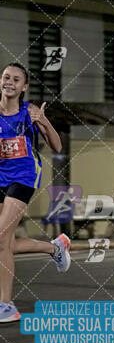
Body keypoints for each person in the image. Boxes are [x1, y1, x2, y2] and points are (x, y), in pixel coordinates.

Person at [0, 62, 71, 323]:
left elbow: (56, 145)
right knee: (4, 243)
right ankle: (54, 248)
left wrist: (43, 121)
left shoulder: (28, 112)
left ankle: (6, 305)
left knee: (0, 237)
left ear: (24, 87)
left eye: (16, 79)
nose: (9, 82)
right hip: (0, 176)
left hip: (24, 176)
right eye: (6, 77)